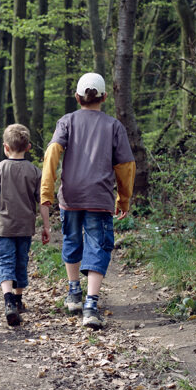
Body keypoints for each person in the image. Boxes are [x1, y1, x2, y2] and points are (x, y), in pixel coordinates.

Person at [40, 73, 135, 329]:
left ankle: (74, 294)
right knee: (99, 246)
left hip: (70, 197)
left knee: (72, 240)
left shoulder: (66, 121)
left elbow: (51, 155)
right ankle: (91, 305)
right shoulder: (114, 126)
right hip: (99, 197)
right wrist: (123, 199)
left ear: (77, 97)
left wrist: (46, 193)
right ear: (105, 97)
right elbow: (126, 166)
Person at [0, 124, 45, 327]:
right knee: (21, 261)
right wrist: (47, 227)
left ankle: (8, 301)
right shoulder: (35, 171)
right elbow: (43, 200)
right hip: (25, 227)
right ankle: (17, 299)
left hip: (3, 227)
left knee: (4, 261)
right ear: (29, 147)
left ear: (5, 147)